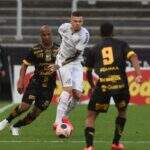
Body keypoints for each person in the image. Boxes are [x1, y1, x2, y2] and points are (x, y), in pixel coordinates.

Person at [83, 22, 142, 150]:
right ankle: (116, 143)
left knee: (91, 115)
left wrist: (93, 87)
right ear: (112, 32)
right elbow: (134, 57)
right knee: (122, 111)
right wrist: (138, 74)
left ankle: (89, 146)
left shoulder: (94, 48)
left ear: (100, 33)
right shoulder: (121, 44)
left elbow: (87, 71)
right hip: (120, 85)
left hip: (103, 86)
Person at [0, 25, 58, 136]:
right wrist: (20, 81)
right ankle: (5, 121)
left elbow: (64, 66)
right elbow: (24, 65)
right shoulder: (35, 50)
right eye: (44, 35)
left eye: (48, 34)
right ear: (40, 36)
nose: (46, 37)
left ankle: (16, 126)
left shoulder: (58, 50)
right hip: (36, 83)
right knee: (25, 106)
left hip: (49, 87)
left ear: (52, 34)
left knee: (35, 113)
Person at [49, 11, 90, 130]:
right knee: (68, 89)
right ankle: (57, 122)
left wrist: (59, 65)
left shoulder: (84, 35)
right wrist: (60, 57)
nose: (77, 23)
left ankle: (65, 116)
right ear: (70, 21)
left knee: (77, 95)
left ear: (82, 21)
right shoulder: (63, 27)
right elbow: (62, 39)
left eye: (80, 21)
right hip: (62, 62)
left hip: (75, 63)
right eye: (75, 21)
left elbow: (75, 56)